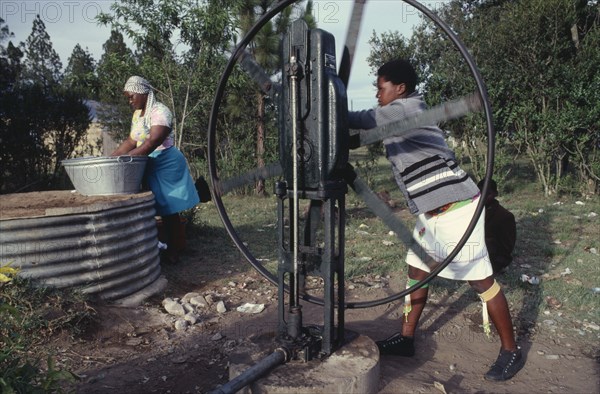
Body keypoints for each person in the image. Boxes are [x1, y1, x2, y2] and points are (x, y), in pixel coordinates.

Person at [348, 59, 524, 381]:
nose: (377, 94)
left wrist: (320, 109)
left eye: (380, 87)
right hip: (432, 213)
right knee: (417, 271)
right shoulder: (399, 119)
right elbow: (365, 133)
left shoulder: (403, 110)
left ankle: (511, 351)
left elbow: (357, 119)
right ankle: (406, 339)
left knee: (480, 281)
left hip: (455, 208)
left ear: (399, 89)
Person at [112, 76, 200, 264]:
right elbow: (131, 141)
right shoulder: (138, 115)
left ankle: (175, 250)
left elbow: (153, 142)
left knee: (168, 208)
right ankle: (160, 246)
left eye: (131, 96)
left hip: (165, 162)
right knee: (151, 206)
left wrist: (127, 159)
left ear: (143, 93)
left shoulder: (160, 111)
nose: (130, 101)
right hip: (147, 163)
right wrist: (111, 159)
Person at [477, 179, 517, 274]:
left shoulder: (505, 216)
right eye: (480, 193)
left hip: (492, 258)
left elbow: (507, 247)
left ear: (496, 194)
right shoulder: (472, 211)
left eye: (488, 194)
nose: (483, 197)